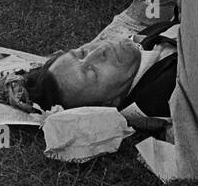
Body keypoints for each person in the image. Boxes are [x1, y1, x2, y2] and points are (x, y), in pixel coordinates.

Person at [22, 23, 178, 117]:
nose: (99, 52)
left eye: (82, 52)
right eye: (93, 73)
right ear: (110, 103)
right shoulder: (165, 92)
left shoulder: (138, 50)